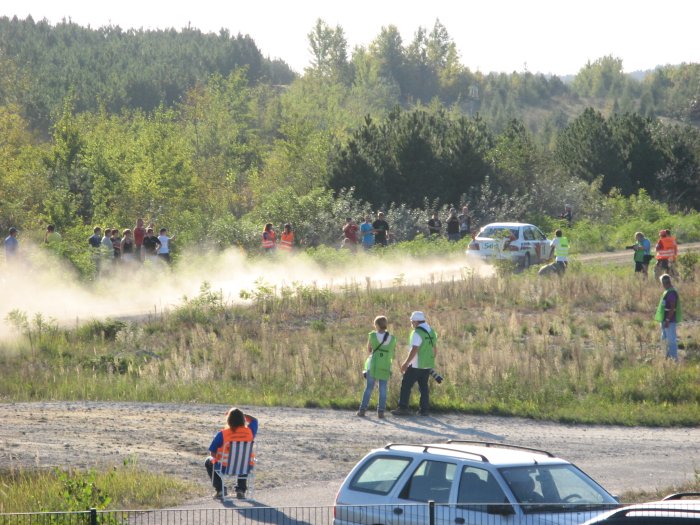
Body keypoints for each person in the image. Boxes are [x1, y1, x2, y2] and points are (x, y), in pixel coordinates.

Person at [205, 408, 258, 500]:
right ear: (243, 420)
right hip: (245, 467)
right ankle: (241, 490)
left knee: (208, 461)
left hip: (225, 468)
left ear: (228, 420)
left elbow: (212, 453)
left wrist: (218, 458)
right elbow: (254, 420)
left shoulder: (222, 434)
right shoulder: (250, 432)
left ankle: (220, 489)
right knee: (243, 460)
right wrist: (241, 414)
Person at [392, 311, 438, 417]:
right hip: (427, 364)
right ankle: (424, 410)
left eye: (412, 322)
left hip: (416, 365)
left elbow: (414, 349)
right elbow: (434, 348)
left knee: (406, 385)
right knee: (424, 388)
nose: (412, 324)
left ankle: (403, 408)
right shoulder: (432, 331)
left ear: (416, 321)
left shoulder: (417, 333)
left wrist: (406, 363)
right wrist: (431, 359)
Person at [357, 316, 396, 419]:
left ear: (377, 325)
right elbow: (392, 352)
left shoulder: (373, 336)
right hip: (385, 364)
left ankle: (362, 410)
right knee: (383, 388)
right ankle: (381, 412)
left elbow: (369, 349)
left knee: (369, 387)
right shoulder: (392, 338)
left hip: (373, 364)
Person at [655, 274, 681, 362]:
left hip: (669, 321)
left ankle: (674, 360)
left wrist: (667, 320)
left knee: (671, 340)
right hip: (664, 320)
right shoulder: (667, 291)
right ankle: (665, 357)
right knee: (664, 339)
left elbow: (672, 308)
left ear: (664, 283)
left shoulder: (671, 293)